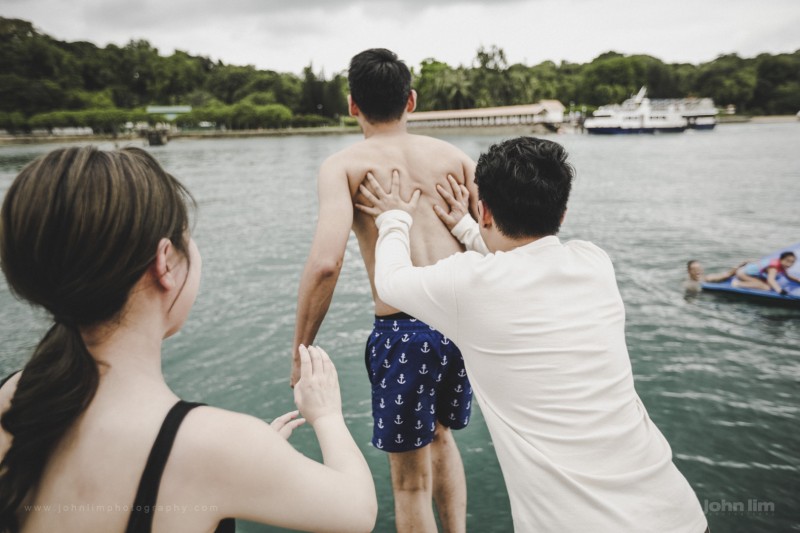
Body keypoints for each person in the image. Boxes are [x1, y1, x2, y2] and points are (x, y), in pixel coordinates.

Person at [0, 146, 376, 533]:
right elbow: (358, 511)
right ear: (165, 262)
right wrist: (326, 415)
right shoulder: (213, 447)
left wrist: (244, 454)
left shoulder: (13, 397)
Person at [356, 136, 709, 532]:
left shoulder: (468, 286)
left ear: (485, 209)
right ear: (562, 214)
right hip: (678, 513)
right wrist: (468, 228)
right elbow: (522, 259)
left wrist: (393, 218)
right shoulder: (594, 262)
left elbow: (391, 281)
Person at [292, 48, 476, 533]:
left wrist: (301, 348)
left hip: (404, 331)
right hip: (461, 323)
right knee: (442, 438)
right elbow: (495, 245)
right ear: (411, 100)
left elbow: (326, 264)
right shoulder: (456, 159)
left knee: (408, 482)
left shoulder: (345, 166)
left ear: (353, 105)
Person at [734, 251, 799, 294]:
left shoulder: (782, 265)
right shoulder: (774, 267)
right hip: (743, 273)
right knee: (766, 287)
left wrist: (798, 280)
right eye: (787, 261)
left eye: (792, 262)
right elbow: (771, 280)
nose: (789, 264)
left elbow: (788, 276)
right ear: (781, 259)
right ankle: (737, 283)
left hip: (748, 273)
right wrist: (780, 290)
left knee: (766, 284)